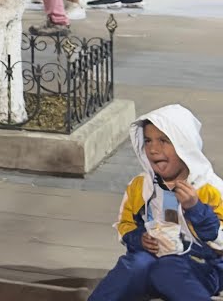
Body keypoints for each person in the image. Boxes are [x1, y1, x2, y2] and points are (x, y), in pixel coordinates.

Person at [88, 105, 223, 301]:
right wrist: (139, 239)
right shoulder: (141, 186)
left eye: (164, 141)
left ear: (184, 145)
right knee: (135, 263)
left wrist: (196, 209)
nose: (153, 149)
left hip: (203, 267)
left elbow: (220, 244)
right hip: (155, 261)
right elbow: (125, 225)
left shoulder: (211, 189)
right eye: (148, 141)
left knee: (167, 269)